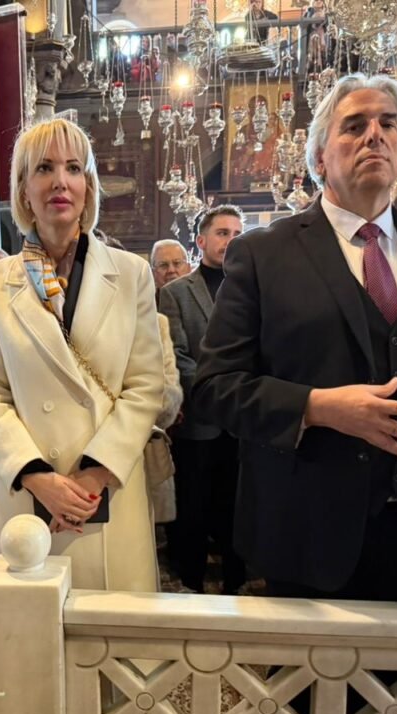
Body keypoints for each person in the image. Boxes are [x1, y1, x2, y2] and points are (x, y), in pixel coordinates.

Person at [193, 74, 397, 602]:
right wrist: (319, 407)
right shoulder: (262, 254)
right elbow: (215, 387)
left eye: (388, 123)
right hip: (306, 528)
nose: (375, 135)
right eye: (354, 126)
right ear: (319, 157)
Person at [0, 118, 164, 592]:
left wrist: (94, 475)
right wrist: (37, 476)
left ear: (88, 186)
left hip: (108, 484)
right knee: (27, 624)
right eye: (44, 168)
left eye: (74, 168)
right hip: (27, 494)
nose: (60, 181)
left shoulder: (131, 273)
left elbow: (145, 386)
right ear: (23, 188)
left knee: (114, 629)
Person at [160, 205, 248, 594]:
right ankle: (193, 584)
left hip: (244, 421)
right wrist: (223, 391)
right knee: (194, 507)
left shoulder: (253, 289)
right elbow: (177, 354)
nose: (231, 241)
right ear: (201, 241)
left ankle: (238, 583)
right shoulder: (176, 292)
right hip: (200, 419)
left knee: (238, 507)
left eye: (237, 234)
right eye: (223, 233)